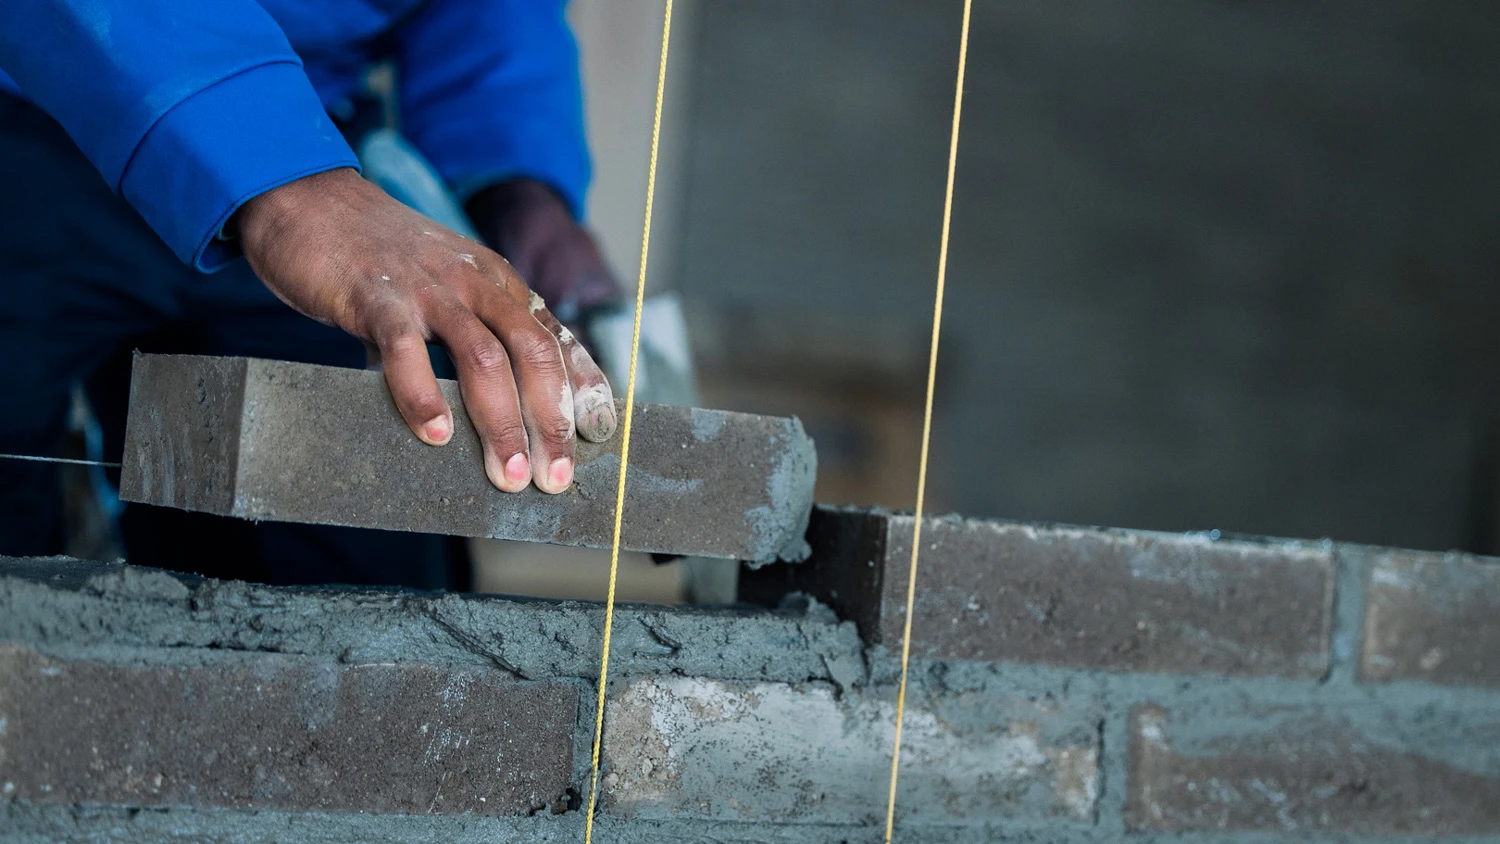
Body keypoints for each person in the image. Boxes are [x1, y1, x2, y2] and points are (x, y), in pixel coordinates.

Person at [0, 1, 623, 589]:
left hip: (315, 132)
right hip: (35, 105)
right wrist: (281, 178)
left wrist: (514, 181)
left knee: (376, 579)